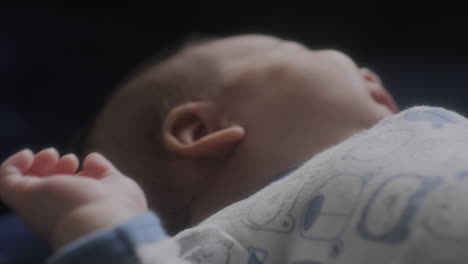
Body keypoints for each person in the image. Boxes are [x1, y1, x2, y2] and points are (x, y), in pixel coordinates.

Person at [2, 34, 468, 264]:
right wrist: (91, 221)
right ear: (202, 128)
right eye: (296, 48)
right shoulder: (225, 246)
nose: (368, 71)